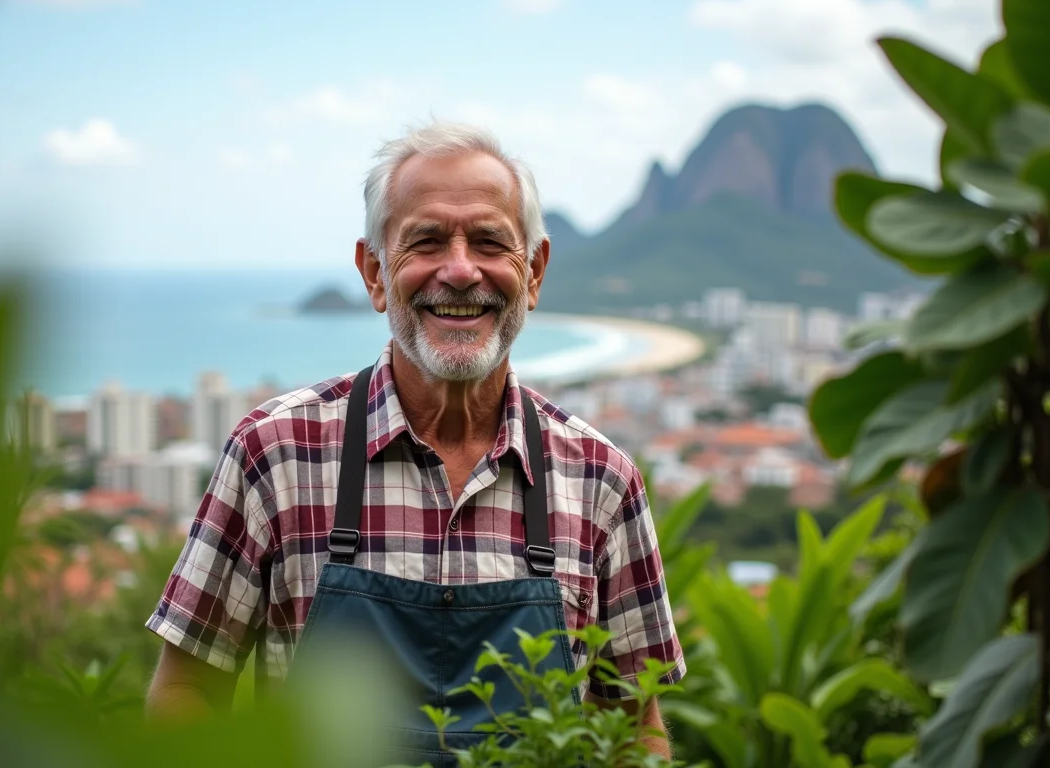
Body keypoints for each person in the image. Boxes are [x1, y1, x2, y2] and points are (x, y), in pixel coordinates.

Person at [144, 121, 684, 764]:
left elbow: (634, 726)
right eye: (426, 241)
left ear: (534, 273)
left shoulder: (601, 480)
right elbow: (186, 693)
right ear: (374, 273)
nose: (459, 271)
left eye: (489, 242)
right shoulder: (275, 453)